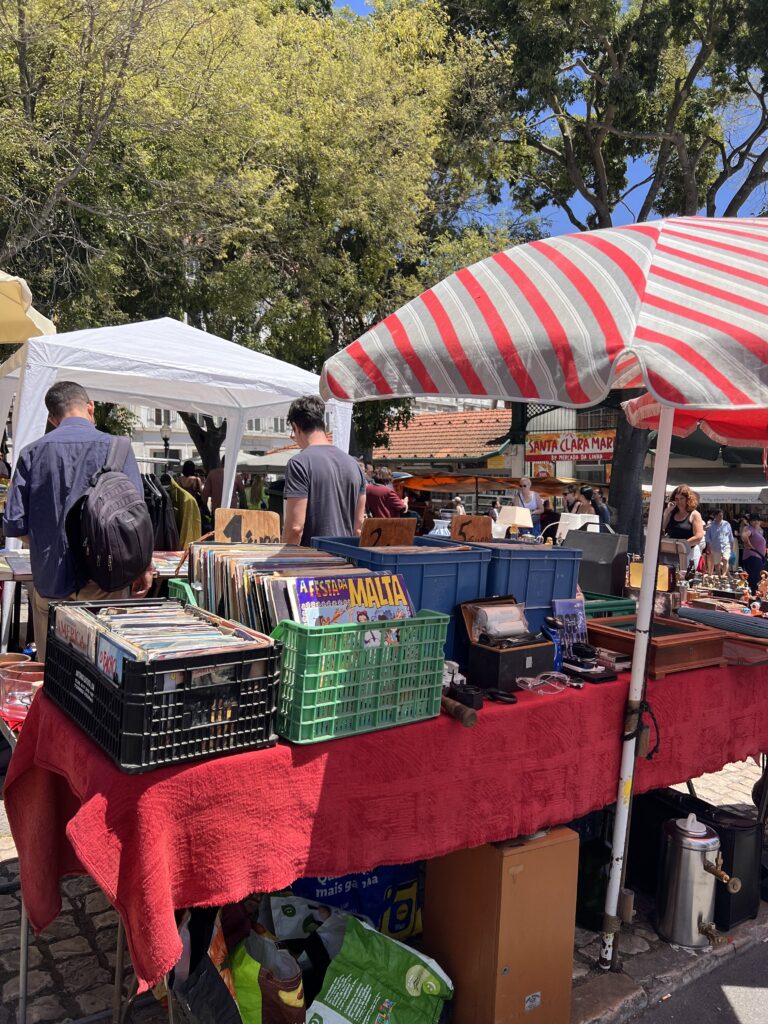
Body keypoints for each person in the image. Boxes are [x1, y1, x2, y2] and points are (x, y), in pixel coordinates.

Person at [4, 381, 152, 661]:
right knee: (104, 675)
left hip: (50, 581)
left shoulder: (31, 453)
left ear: (52, 418)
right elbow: (136, 520)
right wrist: (144, 565)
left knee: (54, 676)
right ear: (90, 407)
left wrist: (49, 539)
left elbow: (16, 524)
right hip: (106, 579)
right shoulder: (118, 448)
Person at [282, 395, 367, 545]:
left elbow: (295, 528)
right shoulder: (354, 465)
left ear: (296, 427)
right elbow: (359, 525)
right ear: (323, 424)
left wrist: (282, 562)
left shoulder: (299, 463)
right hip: (346, 561)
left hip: (311, 562)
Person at [662, 485, 705, 571]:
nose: (679, 502)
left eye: (682, 498)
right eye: (677, 499)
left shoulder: (694, 514)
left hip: (689, 554)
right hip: (671, 554)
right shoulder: (671, 514)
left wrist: (680, 546)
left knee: (685, 580)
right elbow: (662, 528)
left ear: (688, 499)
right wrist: (667, 511)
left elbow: (699, 536)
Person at [740, 513, 766, 593]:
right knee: (755, 579)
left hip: (756, 557)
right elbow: (744, 536)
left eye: (757, 520)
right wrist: (748, 544)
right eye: (753, 520)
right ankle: (753, 596)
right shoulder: (749, 529)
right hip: (753, 557)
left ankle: (753, 594)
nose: (756, 522)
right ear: (750, 521)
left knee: (755, 578)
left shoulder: (756, 530)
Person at [704, 510, 734, 576]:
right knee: (717, 563)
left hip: (726, 546)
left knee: (725, 560)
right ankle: (719, 576)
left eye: (722, 515)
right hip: (715, 547)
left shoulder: (727, 524)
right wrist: (708, 546)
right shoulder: (710, 526)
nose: (721, 517)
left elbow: (730, 536)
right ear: (715, 516)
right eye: (719, 515)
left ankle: (723, 576)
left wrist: (732, 546)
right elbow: (708, 537)